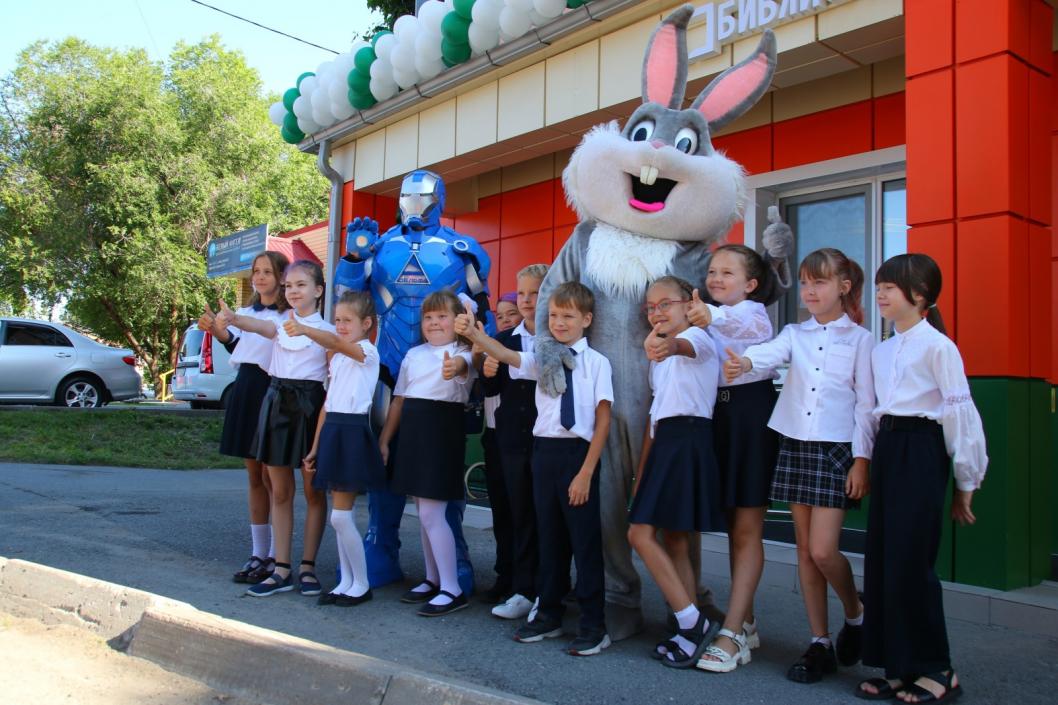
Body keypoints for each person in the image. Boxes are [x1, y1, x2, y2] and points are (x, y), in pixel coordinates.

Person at [336, 170, 491, 595]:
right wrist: (353, 259)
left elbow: (482, 314)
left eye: (423, 196)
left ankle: (452, 558)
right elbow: (348, 302)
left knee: (441, 474)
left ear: (439, 197)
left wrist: (476, 368)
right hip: (390, 367)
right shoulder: (381, 245)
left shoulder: (463, 250)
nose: (415, 203)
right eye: (408, 195)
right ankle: (380, 548)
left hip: (444, 380)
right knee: (382, 464)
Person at [724, 248, 874, 684]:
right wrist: (746, 361)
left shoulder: (862, 340)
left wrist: (861, 460)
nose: (809, 291)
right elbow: (770, 353)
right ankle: (819, 641)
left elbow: (866, 405)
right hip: (794, 444)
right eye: (805, 283)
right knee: (806, 554)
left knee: (824, 550)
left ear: (843, 287)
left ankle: (856, 611)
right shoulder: (795, 332)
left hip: (837, 451)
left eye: (819, 283)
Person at [856, 254, 987, 703]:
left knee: (912, 562)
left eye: (890, 287)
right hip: (890, 451)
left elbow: (958, 413)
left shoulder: (939, 347)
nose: (881, 294)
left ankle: (938, 669)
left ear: (921, 296)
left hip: (922, 451)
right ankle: (898, 665)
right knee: (883, 560)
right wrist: (866, 460)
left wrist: (966, 481)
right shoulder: (882, 349)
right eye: (879, 286)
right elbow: (872, 412)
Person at [458, 281, 614, 657]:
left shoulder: (597, 363)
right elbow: (508, 356)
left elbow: (603, 418)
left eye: (568, 316)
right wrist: (476, 334)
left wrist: (587, 472)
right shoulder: (542, 357)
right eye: (554, 316)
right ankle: (548, 613)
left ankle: (594, 625)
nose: (559, 323)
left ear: (586, 320)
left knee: (584, 542)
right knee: (549, 537)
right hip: (543, 454)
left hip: (577, 456)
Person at [216, 260, 332, 598]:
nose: (293, 291)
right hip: (277, 406)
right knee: (279, 491)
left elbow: (337, 373)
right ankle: (281, 567)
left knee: (313, 492)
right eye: (289, 286)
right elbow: (261, 327)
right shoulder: (280, 324)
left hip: (311, 410)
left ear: (318, 290)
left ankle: (308, 566)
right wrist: (235, 319)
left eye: (301, 285)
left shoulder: (327, 332)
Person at [687, 244, 779, 672]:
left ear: (752, 284)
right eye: (711, 271)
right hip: (714, 417)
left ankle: (734, 631)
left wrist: (710, 314)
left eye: (727, 273)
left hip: (749, 419)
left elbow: (737, 321)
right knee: (729, 526)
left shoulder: (752, 313)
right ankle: (747, 618)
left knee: (746, 528)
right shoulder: (705, 315)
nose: (716, 278)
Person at [627, 276, 725, 668]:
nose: (657, 313)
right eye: (651, 307)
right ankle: (688, 624)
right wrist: (641, 471)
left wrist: (664, 345)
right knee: (676, 539)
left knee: (639, 533)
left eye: (665, 304)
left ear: (690, 303)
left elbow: (678, 346)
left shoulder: (700, 339)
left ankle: (692, 622)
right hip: (667, 439)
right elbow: (655, 416)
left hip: (688, 437)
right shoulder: (659, 361)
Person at [378, 290, 476, 617]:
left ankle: (452, 587)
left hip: (441, 433)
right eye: (428, 318)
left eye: (442, 317)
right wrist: (385, 441)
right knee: (423, 512)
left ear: (457, 320)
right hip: (413, 433)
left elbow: (462, 367)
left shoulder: (464, 352)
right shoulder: (413, 355)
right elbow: (399, 400)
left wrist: (455, 367)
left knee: (434, 514)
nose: (434, 323)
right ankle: (434, 578)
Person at [198, 250, 289, 584]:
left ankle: (279, 560)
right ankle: (258, 553)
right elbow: (239, 349)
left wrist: (232, 321)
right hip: (246, 389)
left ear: (281, 277)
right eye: (256, 271)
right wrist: (218, 332)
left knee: (272, 478)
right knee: (253, 476)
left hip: (273, 391)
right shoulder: (245, 311)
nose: (260, 277)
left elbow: (269, 339)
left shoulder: (289, 316)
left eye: (267, 271)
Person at [292, 291, 386, 607]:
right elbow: (327, 405)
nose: (340, 326)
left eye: (347, 320)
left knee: (341, 518)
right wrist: (315, 447)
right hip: (333, 430)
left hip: (353, 432)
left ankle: (361, 583)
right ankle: (346, 581)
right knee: (338, 517)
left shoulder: (367, 352)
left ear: (367, 323)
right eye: (337, 321)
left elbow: (335, 343)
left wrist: (306, 329)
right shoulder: (340, 357)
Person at [482, 265, 550, 620]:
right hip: (511, 440)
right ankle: (523, 588)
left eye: (535, 292)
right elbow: (491, 391)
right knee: (520, 513)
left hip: (551, 439)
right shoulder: (504, 340)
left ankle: (551, 588)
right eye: (521, 293)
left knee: (548, 517)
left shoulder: (559, 337)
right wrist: (488, 373)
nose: (526, 300)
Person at [478, 291, 522, 606]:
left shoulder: (518, 349)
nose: (505, 321)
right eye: (501, 315)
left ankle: (526, 579)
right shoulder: (491, 347)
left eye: (512, 314)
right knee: (501, 513)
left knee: (523, 514)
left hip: (519, 440)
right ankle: (504, 574)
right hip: (493, 439)